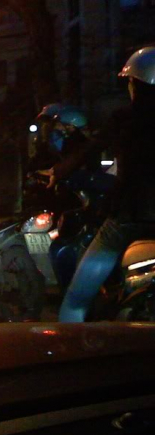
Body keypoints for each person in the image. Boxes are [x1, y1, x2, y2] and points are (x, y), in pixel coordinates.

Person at [50, 47, 155, 322]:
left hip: (129, 217)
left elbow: (90, 149)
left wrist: (57, 171)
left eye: (130, 82)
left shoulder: (124, 119)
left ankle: (70, 344)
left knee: (76, 298)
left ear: (137, 84)